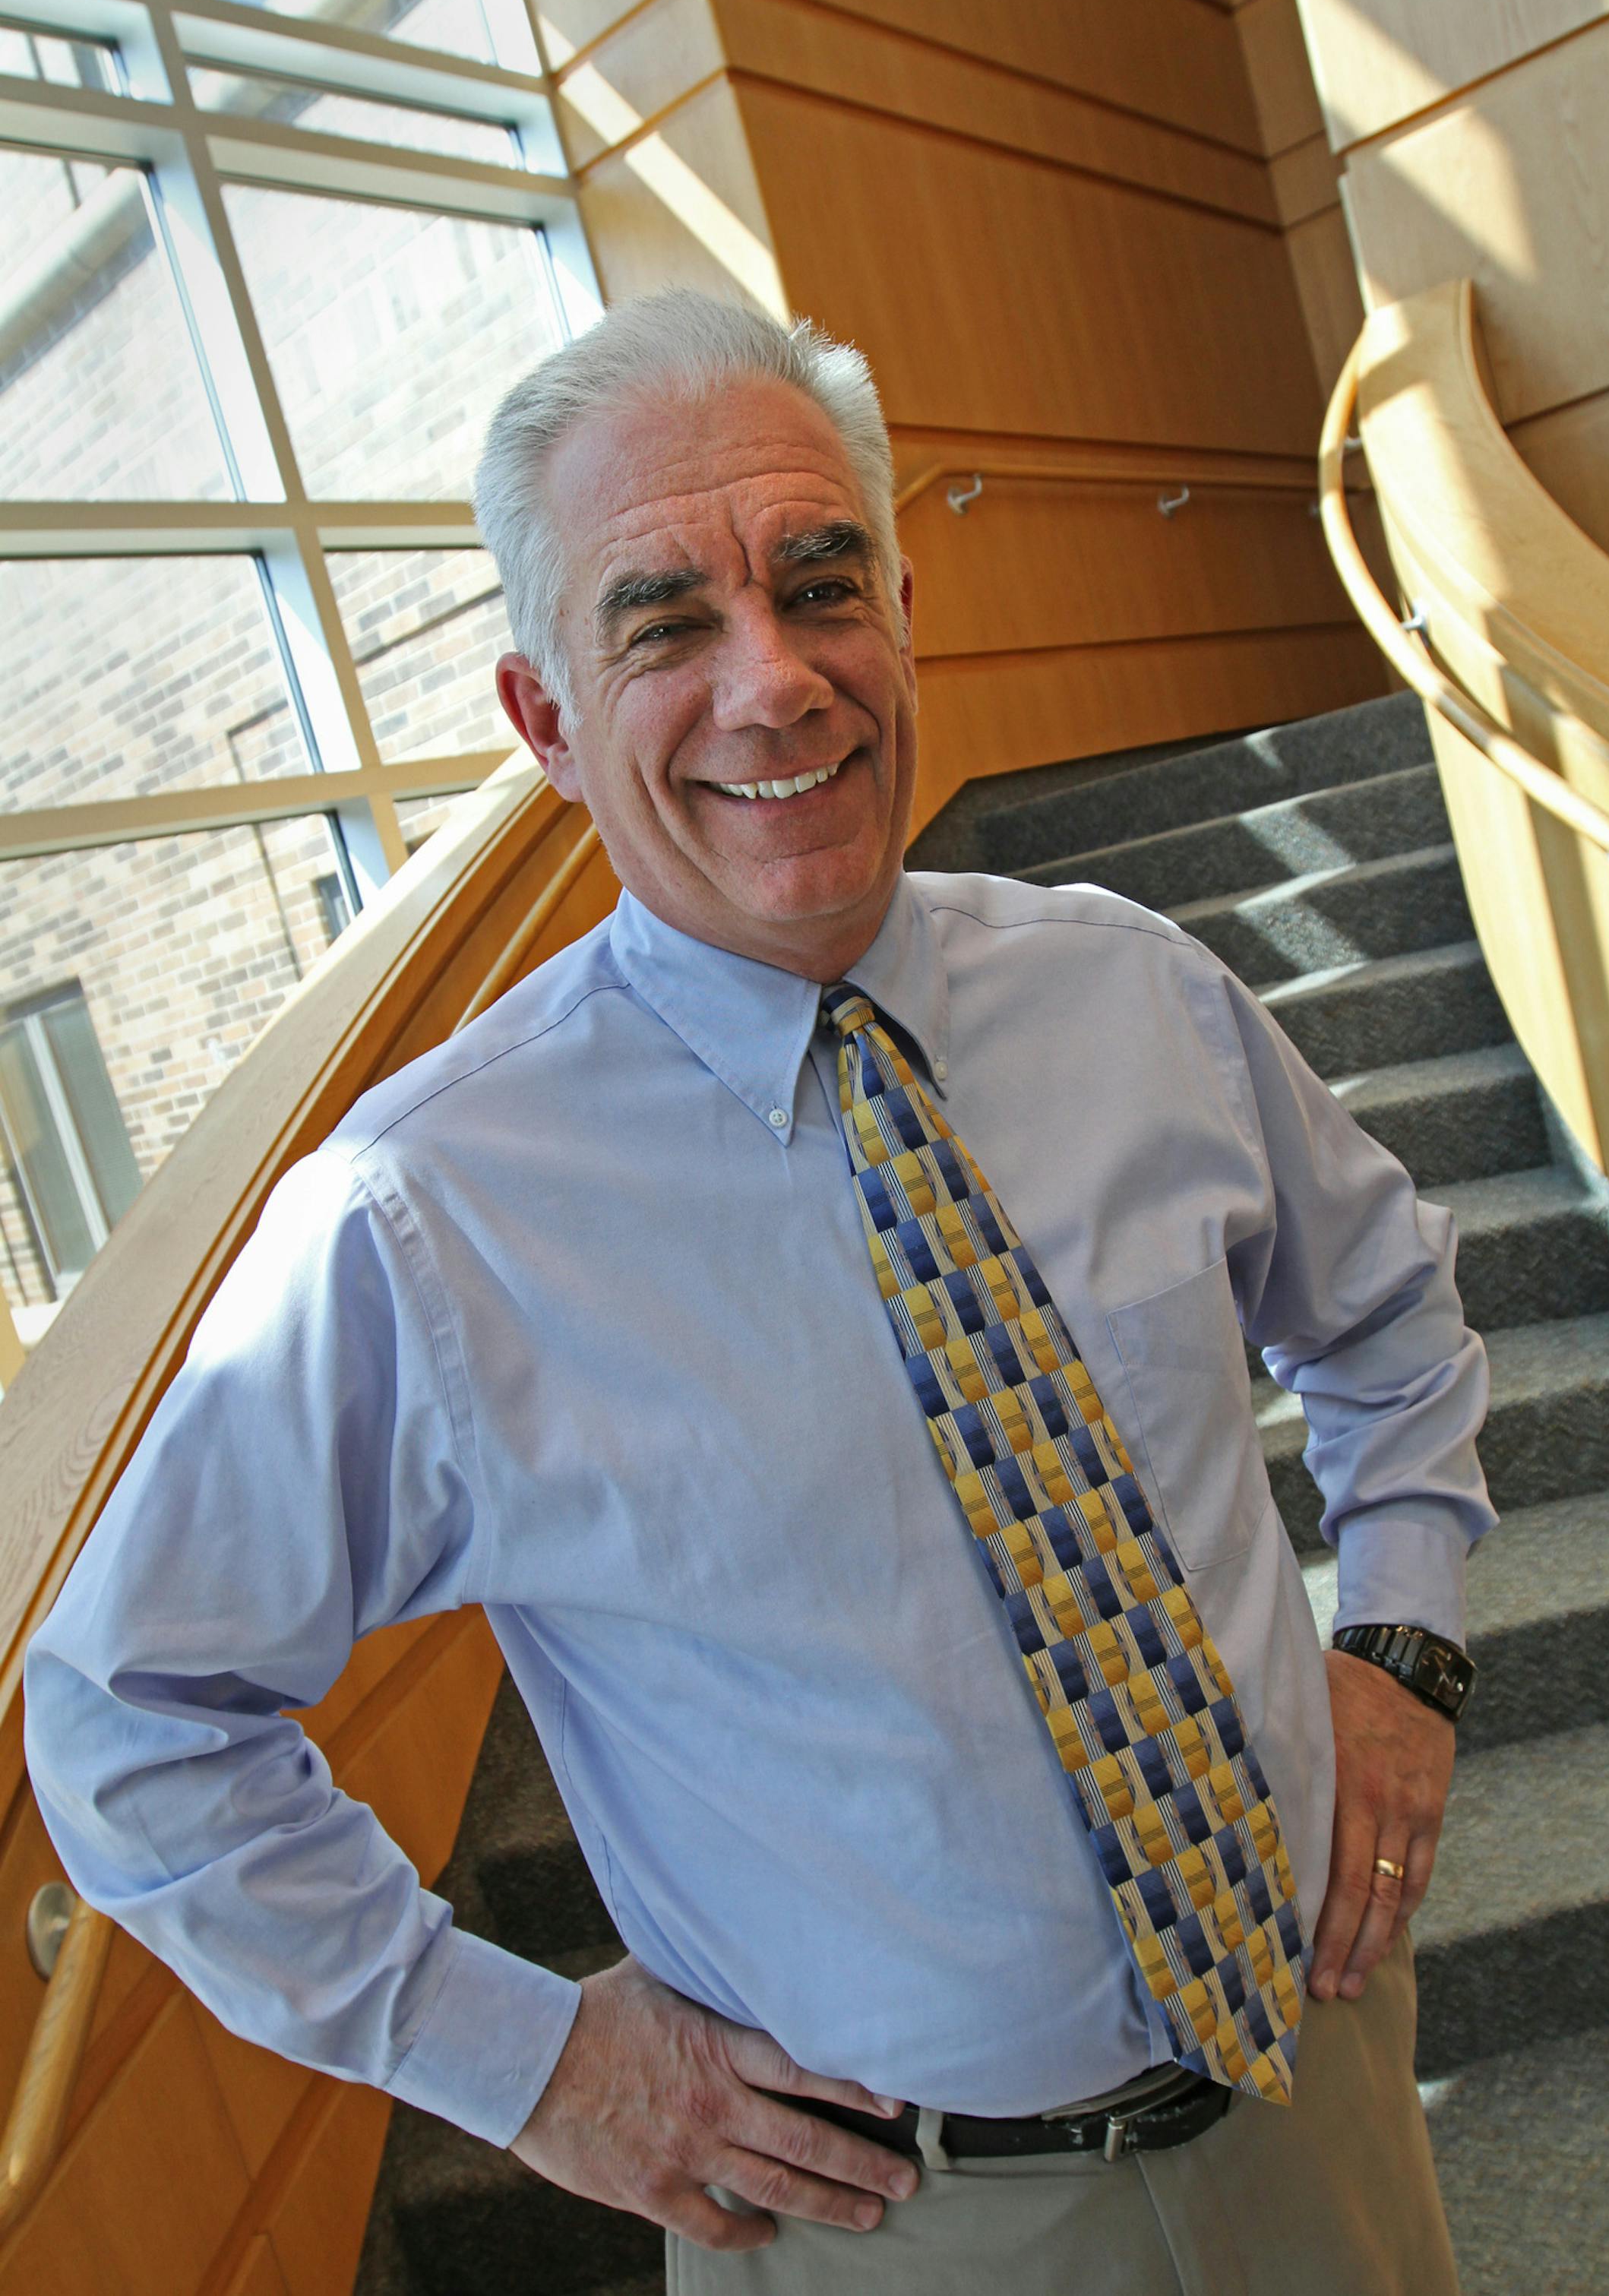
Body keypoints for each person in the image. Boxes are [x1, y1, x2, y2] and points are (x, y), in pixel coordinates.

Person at [25, 290, 1491, 2294]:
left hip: (1318, 2100)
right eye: (665, 626)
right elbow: (131, 1712)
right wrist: (535, 2064)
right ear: (543, 718)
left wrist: (1401, 1652)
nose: (775, 682)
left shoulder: (1134, 992)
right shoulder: (419, 1221)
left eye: (822, 586)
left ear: (906, 610)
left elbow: (1395, 1320)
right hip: (900, 2233)